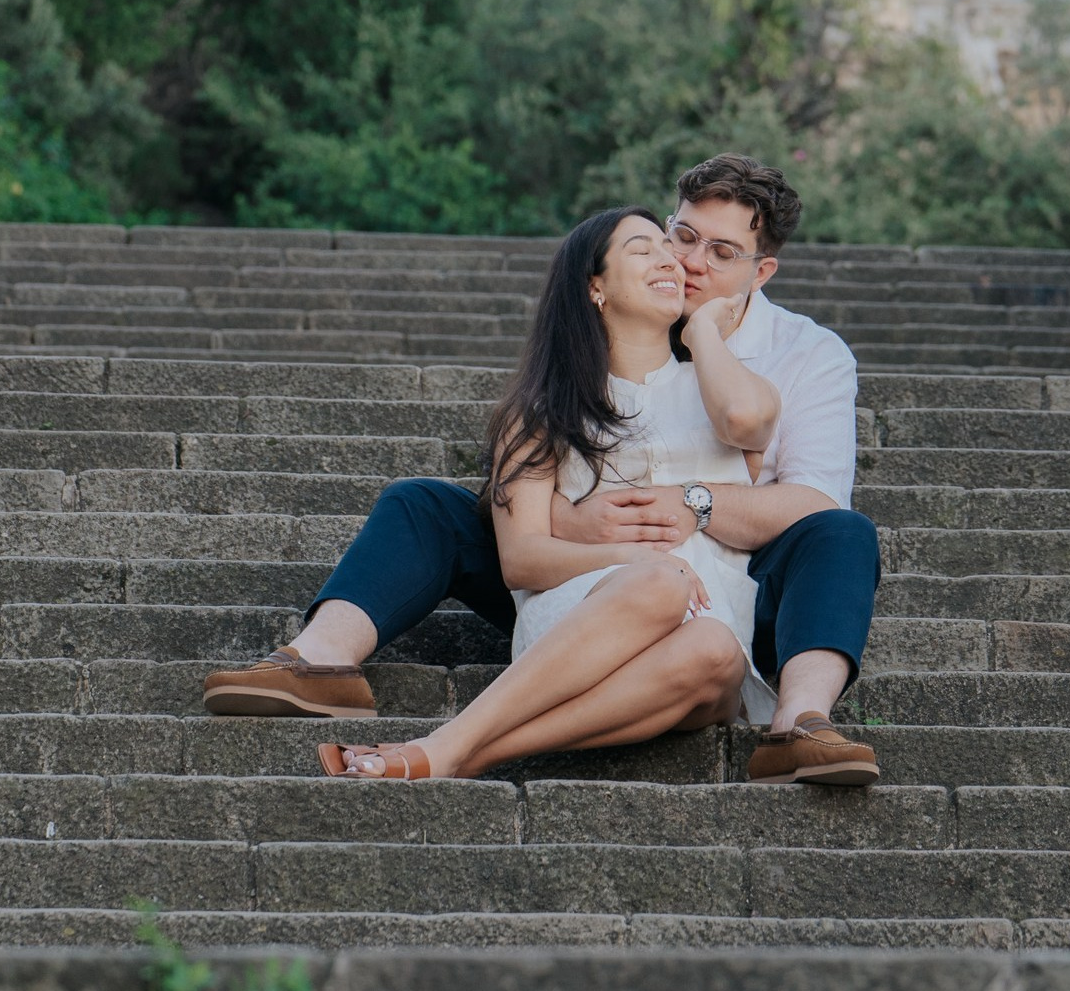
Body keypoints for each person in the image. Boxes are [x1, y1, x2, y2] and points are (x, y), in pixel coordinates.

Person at [202, 154, 881, 785]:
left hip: (735, 583)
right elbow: (524, 540)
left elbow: (808, 494)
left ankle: (797, 723)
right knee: (425, 505)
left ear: (760, 273)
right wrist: (576, 523)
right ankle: (318, 657)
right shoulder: (580, 366)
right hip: (594, 580)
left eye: (722, 252)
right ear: (600, 283)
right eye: (679, 236)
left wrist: (693, 497)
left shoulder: (798, 356)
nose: (689, 263)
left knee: (833, 540)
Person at [318, 207, 776, 777]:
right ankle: (451, 749)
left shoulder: (726, 393)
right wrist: (636, 559)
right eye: (641, 249)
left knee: (713, 649)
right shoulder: (541, 412)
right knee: (660, 582)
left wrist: (703, 329)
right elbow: (522, 557)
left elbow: (750, 421)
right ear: (595, 286)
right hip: (583, 624)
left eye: (667, 245)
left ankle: (458, 747)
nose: (670, 258)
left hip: (709, 645)